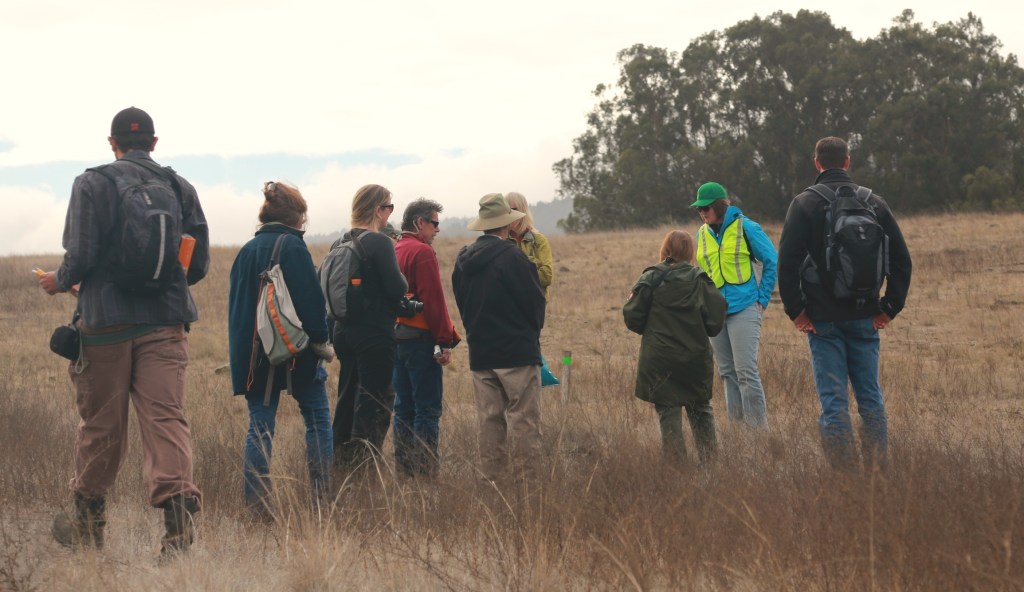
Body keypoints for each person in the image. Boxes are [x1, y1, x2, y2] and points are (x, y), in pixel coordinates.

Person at [38, 107, 209, 557]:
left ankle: (88, 527)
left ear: (111, 142)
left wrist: (60, 281)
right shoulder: (179, 187)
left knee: (101, 426)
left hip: (105, 326)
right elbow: (200, 264)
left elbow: (79, 256)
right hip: (165, 324)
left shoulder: (91, 183)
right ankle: (176, 526)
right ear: (154, 142)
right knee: (165, 421)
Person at [777, 136, 912, 470]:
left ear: (817, 162)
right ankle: (879, 474)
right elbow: (902, 261)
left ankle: (844, 483)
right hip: (865, 315)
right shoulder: (874, 202)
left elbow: (787, 262)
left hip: (822, 320)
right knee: (870, 400)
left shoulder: (804, 203)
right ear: (848, 162)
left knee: (834, 404)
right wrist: (888, 308)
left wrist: (796, 311)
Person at [228, 181, 336, 515]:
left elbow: (235, 310)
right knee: (317, 418)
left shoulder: (245, 250)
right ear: (297, 216)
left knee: (259, 426)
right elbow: (311, 302)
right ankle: (323, 502)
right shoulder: (293, 247)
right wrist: (321, 344)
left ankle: (257, 508)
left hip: (253, 356)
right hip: (294, 354)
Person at [452, 193, 546, 484]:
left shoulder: (463, 260)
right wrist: (530, 334)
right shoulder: (514, 257)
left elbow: (462, 305)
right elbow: (535, 305)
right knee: (523, 419)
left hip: (481, 353)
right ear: (506, 225)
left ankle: (492, 484)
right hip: (517, 352)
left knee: (490, 420)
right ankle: (528, 486)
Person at [623, 231, 727, 465]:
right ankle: (710, 465)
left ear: (666, 249)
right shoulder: (701, 280)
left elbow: (631, 315)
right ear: (691, 251)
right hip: (695, 357)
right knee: (700, 409)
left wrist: (651, 332)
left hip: (659, 358)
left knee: (668, 411)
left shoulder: (651, 278)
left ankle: (676, 469)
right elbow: (716, 319)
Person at [331, 184, 408, 468]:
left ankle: (337, 463)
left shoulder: (339, 242)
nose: (390, 214)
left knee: (347, 397)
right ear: (378, 210)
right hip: (375, 332)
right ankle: (362, 469)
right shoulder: (379, 242)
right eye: (389, 207)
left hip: (343, 332)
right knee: (375, 401)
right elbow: (397, 286)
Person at [691, 182, 778, 428]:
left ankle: (758, 433)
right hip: (715, 313)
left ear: (719, 206)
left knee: (746, 372)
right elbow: (702, 273)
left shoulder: (746, 227)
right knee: (727, 373)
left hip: (745, 308)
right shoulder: (701, 234)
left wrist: (762, 299)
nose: (702, 213)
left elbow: (771, 260)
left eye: (706, 208)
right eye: (699, 209)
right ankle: (738, 432)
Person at [392, 198, 459, 477]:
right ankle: (426, 476)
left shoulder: (394, 249)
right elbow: (433, 300)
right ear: (420, 223)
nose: (438, 230)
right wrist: (444, 340)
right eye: (434, 223)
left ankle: (404, 473)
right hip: (421, 341)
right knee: (427, 410)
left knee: (403, 409)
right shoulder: (422, 252)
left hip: (396, 340)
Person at [505, 192, 554, 301]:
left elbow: (547, 277)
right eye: (507, 210)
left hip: (535, 305)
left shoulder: (539, 240)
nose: (511, 214)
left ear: (523, 211)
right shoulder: (502, 240)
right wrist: (532, 268)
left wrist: (515, 271)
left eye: (514, 209)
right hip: (509, 305)